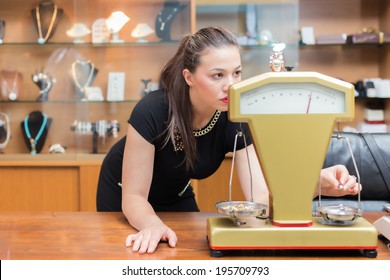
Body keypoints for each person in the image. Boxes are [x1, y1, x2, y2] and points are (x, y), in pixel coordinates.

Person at [96, 26, 360, 254]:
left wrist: (314, 185)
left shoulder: (235, 116)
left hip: (176, 194)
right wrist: (152, 224)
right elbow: (134, 196)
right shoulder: (152, 110)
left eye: (237, 73)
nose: (230, 85)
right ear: (189, 77)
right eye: (217, 75)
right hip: (125, 194)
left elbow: (260, 200)